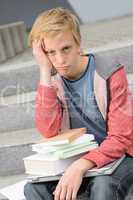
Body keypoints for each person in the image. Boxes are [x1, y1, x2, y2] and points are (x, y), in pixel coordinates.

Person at [24, 7, 133, 200]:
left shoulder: (108, 72)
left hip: (120, 156)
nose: (60, 60)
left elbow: (121, 138)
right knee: (34, 189)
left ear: (78, 43)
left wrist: (81, 165)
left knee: (103, 186)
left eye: (65, 48)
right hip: (74, 158)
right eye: (50, 52)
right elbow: (48, 131)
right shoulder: (51, 80)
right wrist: (44, 70)